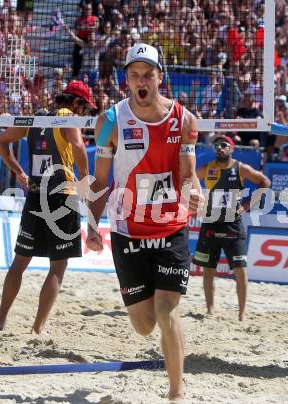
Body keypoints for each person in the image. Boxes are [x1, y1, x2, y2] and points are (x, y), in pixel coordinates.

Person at [86, 43, 202, 401]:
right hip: (127, 228)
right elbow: (100, 180)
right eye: (134, 74)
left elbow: (188, 176)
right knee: (144, 324)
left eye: (148, 74)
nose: (141, 80)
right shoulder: (109, 121)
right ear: (127, 80)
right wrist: (91, 226)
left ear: (159, 78)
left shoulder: (184, 120)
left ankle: (175, 393)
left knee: (168, 310)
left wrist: (195, 193)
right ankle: (172, 347)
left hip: (170, 226)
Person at [0, 80, 94, 334]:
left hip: (36, 195)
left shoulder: (36, 119)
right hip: (62, 195)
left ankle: (1, 321)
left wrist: (18, 172)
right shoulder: (68, 117)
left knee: (19, 262)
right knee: (58, 266)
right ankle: (37, 328)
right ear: (76, 102)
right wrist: (84, 180)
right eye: (85, 108)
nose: (84, 114)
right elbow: (79, 147)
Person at [193, 134, 270, 321]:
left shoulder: (240, 168)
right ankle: (210, 310)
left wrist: (246, 205)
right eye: (217, 145)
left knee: (240, 269)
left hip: (232, 224)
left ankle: (242, 314)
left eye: (224, 145)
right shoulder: (207, 168)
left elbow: (265, 182)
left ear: (231, 148)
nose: (219, 148)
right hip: (211, 221)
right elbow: (189, 181)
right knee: (208, 269)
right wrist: (195, 201)